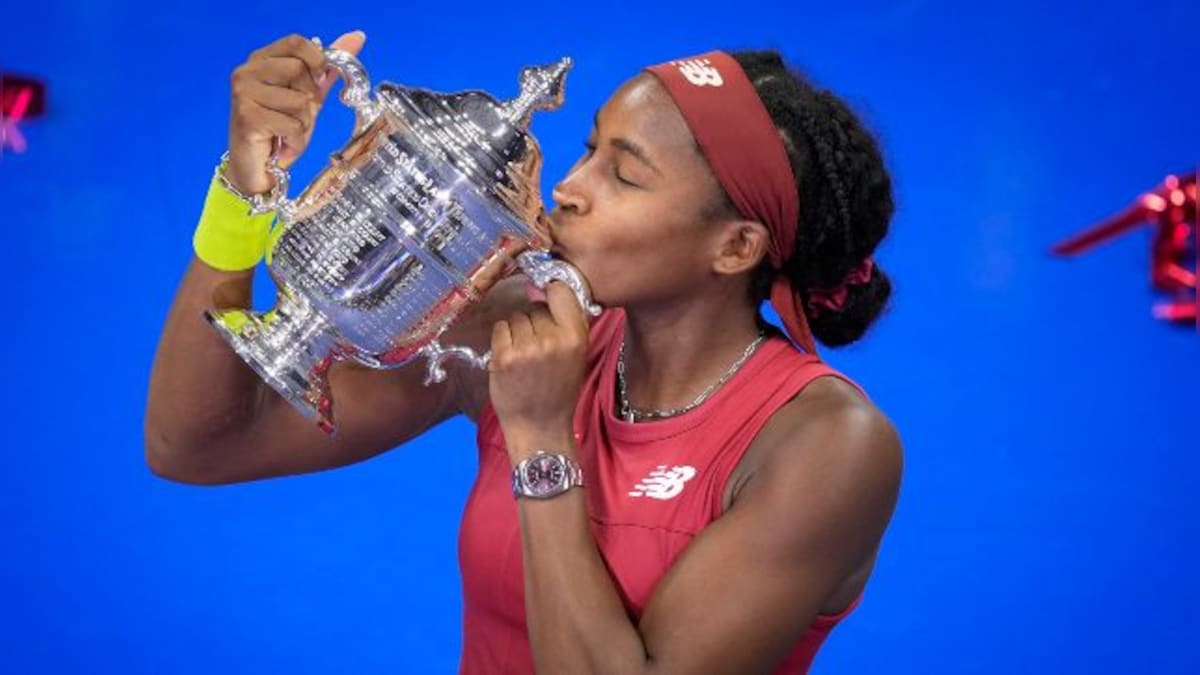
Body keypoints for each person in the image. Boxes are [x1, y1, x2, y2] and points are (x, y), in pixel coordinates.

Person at [145, 30, 903, 674]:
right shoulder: (514, 320)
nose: (568, 187)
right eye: (588, 149)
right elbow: (199, 444)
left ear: (736, 247)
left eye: (625, 174)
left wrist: (543, 439)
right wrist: (245, 195)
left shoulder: (827, 444)